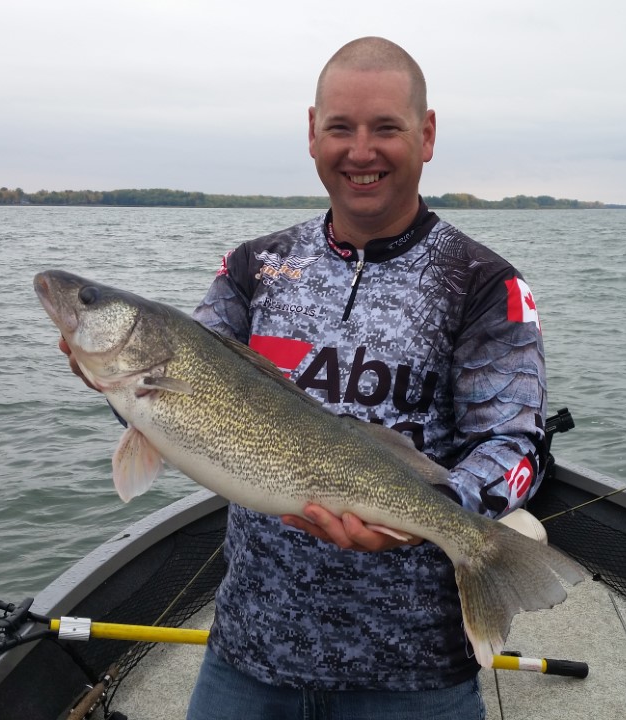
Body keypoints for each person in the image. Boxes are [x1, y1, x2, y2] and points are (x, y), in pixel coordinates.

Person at [61, 36, 549, 720]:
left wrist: (445, 511)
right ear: (312, 135)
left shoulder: (483, 283)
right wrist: (108, 383)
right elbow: (166, 407)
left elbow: (517, 448)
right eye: (340, 128)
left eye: (386, 127)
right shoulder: (251, 266)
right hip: (248, 655)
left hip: (414, 674)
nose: (361, 151)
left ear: (427, 134)